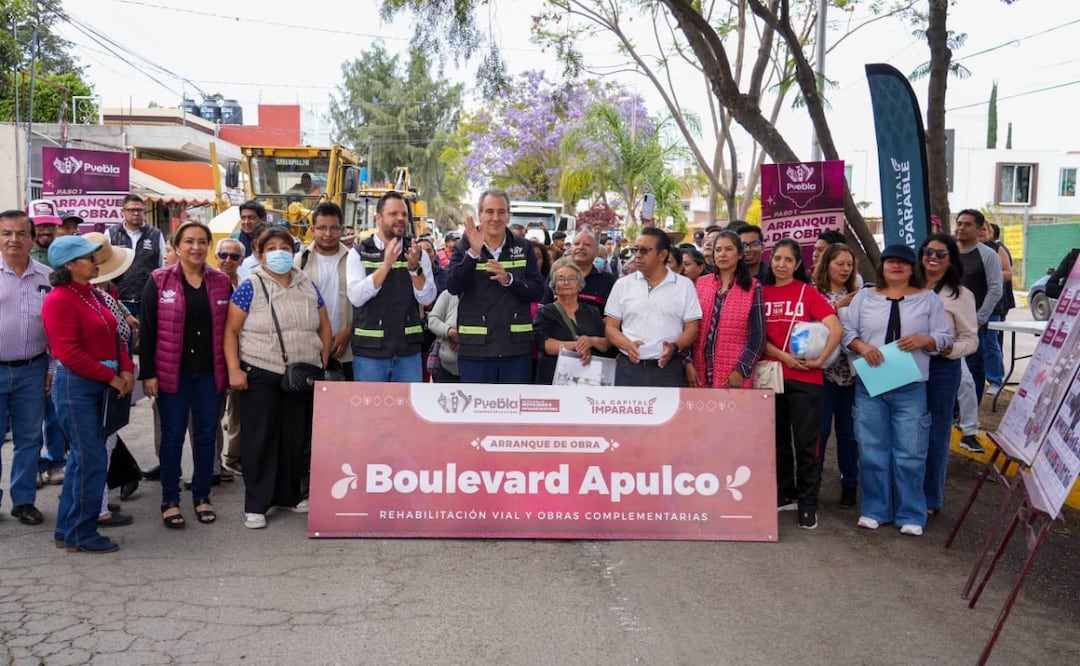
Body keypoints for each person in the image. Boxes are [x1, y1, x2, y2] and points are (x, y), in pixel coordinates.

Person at [224, 227, 332, 529]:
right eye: (271, 247)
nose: (279, 252)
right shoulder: (250, 286)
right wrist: (234, 369)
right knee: (260, 438)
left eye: (285, 247)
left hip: (300, 375)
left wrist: (321, 361)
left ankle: (290, 495)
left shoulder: (307, 285)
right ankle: (256, 504)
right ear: (259, 254)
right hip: (261, 371)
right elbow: (231, 330)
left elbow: (324, 326)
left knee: (294, 438)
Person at [842, 244, 951, 536]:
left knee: (911, 452)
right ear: (882, 266)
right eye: (890, 261)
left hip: (910, 385)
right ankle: (875, 509)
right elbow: (848, 332)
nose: (896, 266)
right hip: (871, 384)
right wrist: (863, 348)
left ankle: (911, 513)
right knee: (871, 450)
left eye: (903, 262)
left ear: (912, 268)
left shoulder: (928, 300)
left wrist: (924, 339)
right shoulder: (865, 297)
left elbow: (944, 336)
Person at [43, 234, 135, 553]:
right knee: (91, 460)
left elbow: (118, 336)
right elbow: (68, 353)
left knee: (83, 462)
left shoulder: (92, 294)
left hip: (99, 382)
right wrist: (111, 376)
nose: (96, 262)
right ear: (69, 265)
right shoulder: (58, 299)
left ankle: (67, 529)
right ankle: (82, 532)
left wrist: (125, 370)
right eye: (88, 258)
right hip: (76, 387)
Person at [140, 221, 231, 529]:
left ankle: (202, 496)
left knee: (206, 437)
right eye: (189, 241)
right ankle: (170, 499)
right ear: (176, 246)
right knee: (172, 438)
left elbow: (230, 331)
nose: (196, 247)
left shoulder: (220, 282)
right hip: (171, 375)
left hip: (209, 375)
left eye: (202, 241)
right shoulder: (159, 280)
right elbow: (149, 330)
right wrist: (149, 374)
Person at [761, 238, 842, 530]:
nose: (781, 265)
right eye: (777, 259)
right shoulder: (761, 291)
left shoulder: (808, 293)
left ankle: (808, 504)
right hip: (772, 377)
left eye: (788, 260)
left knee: (807, 444)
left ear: (797, 265)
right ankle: (786, 493)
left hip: (807, 379)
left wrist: (820, 359)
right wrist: (784, 356)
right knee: (777, 441)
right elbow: (758, 338)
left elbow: (836, 327)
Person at [447, 189, 545, 384]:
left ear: (508, 215)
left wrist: (509, 279)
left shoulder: (524, 247)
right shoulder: (463, 247)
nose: (495, 218)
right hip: (475, 351)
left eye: (501, 212)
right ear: (480, 214)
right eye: (489, 211)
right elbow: (453, 286)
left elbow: (538, 290)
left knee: (514, 413)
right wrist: (473, 254)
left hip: (515, 351)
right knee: (476, 413)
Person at [918, 234, 979, 516]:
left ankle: (930, 498)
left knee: (936, 433)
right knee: (907, 431)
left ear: (951, 259)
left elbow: (972, 339)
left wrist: (951, 349)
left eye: (941, 254)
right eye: (929, 251)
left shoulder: (960, 295)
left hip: (942, 369)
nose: (933, 257)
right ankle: (905, 492)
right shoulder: (909, 286)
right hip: (909, 364)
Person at [346, 192, 436, 382]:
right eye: (393, 214)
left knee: (408, 411)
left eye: (403, 214)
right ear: (378, 218)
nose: (400, 219)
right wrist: (385, 265)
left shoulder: (417, 253)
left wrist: (414, 270)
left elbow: (427, 299)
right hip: (369, 353)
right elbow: (355, 297)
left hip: (408, 352)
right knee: (369, 411)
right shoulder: (359, 252)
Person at [0, 210, 52, 526]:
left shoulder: (47, 276)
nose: (14, 239)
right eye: (6, 233)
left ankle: (23, 501)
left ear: (31, 239)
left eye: (21, 233)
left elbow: (58, 329)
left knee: (30, 438)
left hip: (33, 368)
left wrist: (52, 369)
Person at [605, 228, 701, 387]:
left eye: (644, 250)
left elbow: (692, 329)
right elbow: (611, 327)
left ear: (662, 255)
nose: (638, 255)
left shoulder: (684, 286)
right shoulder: (622, 285)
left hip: (668, 369)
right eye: (635, 249)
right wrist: (627, 345)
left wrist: (674, 347)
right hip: (629, 368)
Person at [812, 242, 860, 508]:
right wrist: (836, 306)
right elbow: (808, 331)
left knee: (849, 435)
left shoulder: (859, 294)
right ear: (827, 264)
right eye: (839, 263)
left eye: (849, 265)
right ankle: (812, 484)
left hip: (852, 376)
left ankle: (850, 484)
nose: (844, 269)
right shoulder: (813, 292)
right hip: (823, 374)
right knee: (819, 433)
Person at [687, 230, 765, 390]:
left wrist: (741, 370)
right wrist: (687, 363)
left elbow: (758, 336)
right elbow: (688, 327)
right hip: (698, 371)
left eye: (729, 249)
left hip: (734, 373)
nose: (722, 254)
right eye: (718, 249)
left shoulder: (752, 287)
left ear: (740, 254)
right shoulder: (700, 284)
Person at [26, 201, 68, 486]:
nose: (46, 230)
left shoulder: (63, 256)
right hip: (28, 349)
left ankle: (56, 461)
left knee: (54, 412)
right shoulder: (19, 259)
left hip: (58, 347)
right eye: (40, 225)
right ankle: (36, 464)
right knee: (29, 417)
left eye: (50, 225)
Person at [953, 209, 1003, 418]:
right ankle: (953, 411)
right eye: (959, 223)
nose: (962, 228)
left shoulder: (988, 255)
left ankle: (968, 416)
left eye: (967, 224)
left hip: (974, 325)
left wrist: (979, 318)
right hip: (947, 322)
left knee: (974, 369)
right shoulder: (948, 253)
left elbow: (995, 289)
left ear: (980, 228)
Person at [296, 202, 354, 381]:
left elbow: (364, 303)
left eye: (334, 228)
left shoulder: (354, 260)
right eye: (322, 228)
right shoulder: (300, 261)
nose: (328, 234)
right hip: (310, 348)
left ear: (342, 229)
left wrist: (348, 332)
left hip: (345, 349)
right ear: (313, 229)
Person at [534, 258, 612, 385]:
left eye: (571, 278)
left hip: (588, 380)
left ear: (579, 283)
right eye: (560, 278)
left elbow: (606, 344)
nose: (566, 282)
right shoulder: (544, 312)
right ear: (553, 284)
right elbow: (545, 344)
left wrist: (591, 341)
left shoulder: (592, 311)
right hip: (553, 378)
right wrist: (577, 346)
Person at [215, 238, 245, 476]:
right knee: (212, 414)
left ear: (241, 261)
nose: (228, 260)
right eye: (223, 255)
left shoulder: (246, 285)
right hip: (212, 358)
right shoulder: (207, 283)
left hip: (239, 356)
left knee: (237, 412)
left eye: (234, 257)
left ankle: (232, 458)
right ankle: (214, 466)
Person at [107, 194, 165, 319]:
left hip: (147, 298)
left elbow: (163, 265)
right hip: (119, 299)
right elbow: (104, 265)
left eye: (139, 210)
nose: (136, 213)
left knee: (146, 336)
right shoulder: (111, 233)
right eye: (131, 210)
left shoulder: (155, 234)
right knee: (123, 336)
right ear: (123, 212)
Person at [979, 222, 1013, 396]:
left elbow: (1008, 273)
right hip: (970, 305)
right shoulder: (964, 250)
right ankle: (978, 379)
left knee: (990, 342)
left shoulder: (997, 248)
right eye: (978, 229)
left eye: (983, 229)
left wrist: (990, 275)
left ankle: (995, 380)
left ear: (990, 232)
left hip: (993, 306)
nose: (980, 233)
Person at [568, 231, 617, 313]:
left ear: (596, 251)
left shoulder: (608, 281)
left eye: (587, 245)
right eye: (576, 244)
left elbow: (611, 317)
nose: (580, 247)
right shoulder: (557, 275)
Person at [426, 290, 461, 382]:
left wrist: (462, 338)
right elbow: (432, 321)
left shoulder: (485, 294)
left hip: (476, 366)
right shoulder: (448, 294)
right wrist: (449, 332)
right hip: (445, 367)